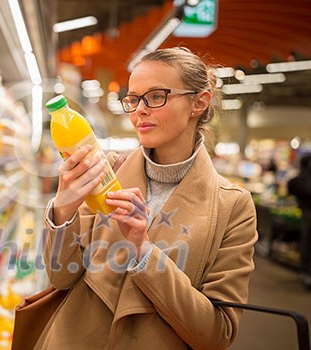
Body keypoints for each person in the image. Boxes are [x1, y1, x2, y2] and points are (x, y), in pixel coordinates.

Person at [41, 47, 258, 349]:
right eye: (133, 99)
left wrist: (143, 251)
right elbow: (60, 278)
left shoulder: (232, 206)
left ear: (199, 102)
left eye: (156, 97)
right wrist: (62, 212)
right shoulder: (106, 172)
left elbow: (217, 333)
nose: (140, 110)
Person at [288, 154, 311, 290]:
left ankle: (305, 272)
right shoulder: (306, 178)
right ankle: (306, 273)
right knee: (307, 241)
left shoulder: (302, 176)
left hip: (305, 210)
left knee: (306, 241)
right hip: (307, 211)